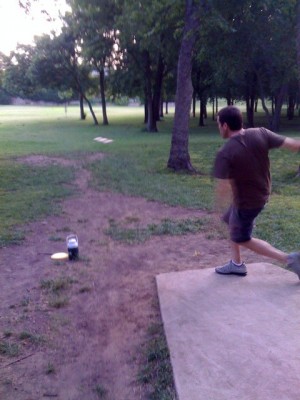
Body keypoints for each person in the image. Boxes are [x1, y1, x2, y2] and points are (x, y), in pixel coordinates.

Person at [213, 105, 300, 278]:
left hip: (247, 203)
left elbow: (222, 189)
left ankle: (290, 259)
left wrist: (215, 211)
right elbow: (292, 144)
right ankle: (236, 264)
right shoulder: (261, 133)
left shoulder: (225, 153)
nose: (218, 128)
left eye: (218, 124)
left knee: (242, 238)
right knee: (231, 220)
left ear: (225, 126)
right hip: (262, 193)